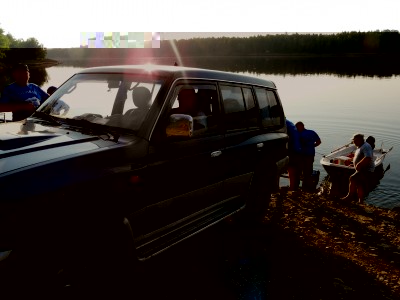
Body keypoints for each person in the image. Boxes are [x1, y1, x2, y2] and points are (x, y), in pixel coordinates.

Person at [341, 133, 375, 203]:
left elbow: (368, 157)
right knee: (359, 184)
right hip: (361, 168)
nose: (353, 142)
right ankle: (360, 201)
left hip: (366, 169)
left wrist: (359, 164)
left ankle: (349, 197)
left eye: (354, 140)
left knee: (352, 178)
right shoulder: (360, 146)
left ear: (359, 140)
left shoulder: (366, 146)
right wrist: (354, 164)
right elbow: (360, 157)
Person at [295, 121, 321, 190]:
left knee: (302, 170)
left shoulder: (296, 133)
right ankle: (304, 186)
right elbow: (319, 142)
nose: (296, 128)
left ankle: (301, 186)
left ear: (301, 126)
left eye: (296, 127)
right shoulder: (312, 132)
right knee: (307, 170)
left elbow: (318, 142)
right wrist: (312, 146)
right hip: (308, 154)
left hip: (302, 155)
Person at [286, 119, 302, 190]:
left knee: (291, 169)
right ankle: (294, 187)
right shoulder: (290, 124)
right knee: (295, 170)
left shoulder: (284, 124)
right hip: (297, 150)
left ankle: (292, 187)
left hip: (292, 151)